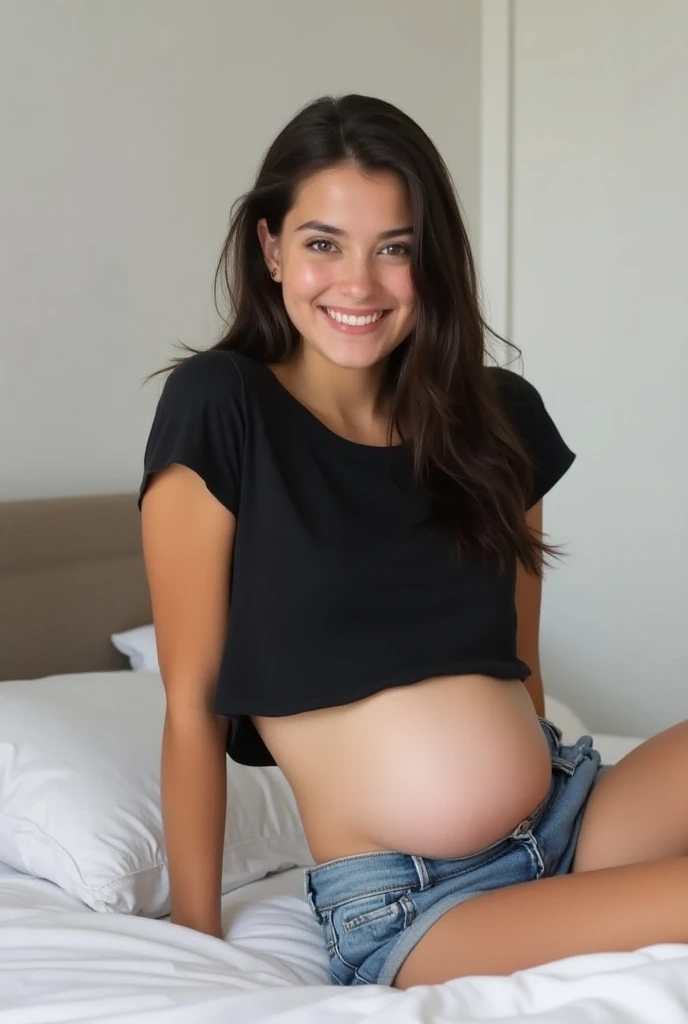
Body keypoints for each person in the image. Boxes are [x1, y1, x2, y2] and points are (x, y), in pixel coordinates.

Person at [138, 93, 688, 990]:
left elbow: (517, 664)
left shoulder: (497, 418)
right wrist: (196, 947)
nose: (358, 284)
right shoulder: (221, 408)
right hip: (419, 906)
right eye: (323, 244)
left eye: (394, 249)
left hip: (574, 814)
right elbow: (193, 703)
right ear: (271, 248)